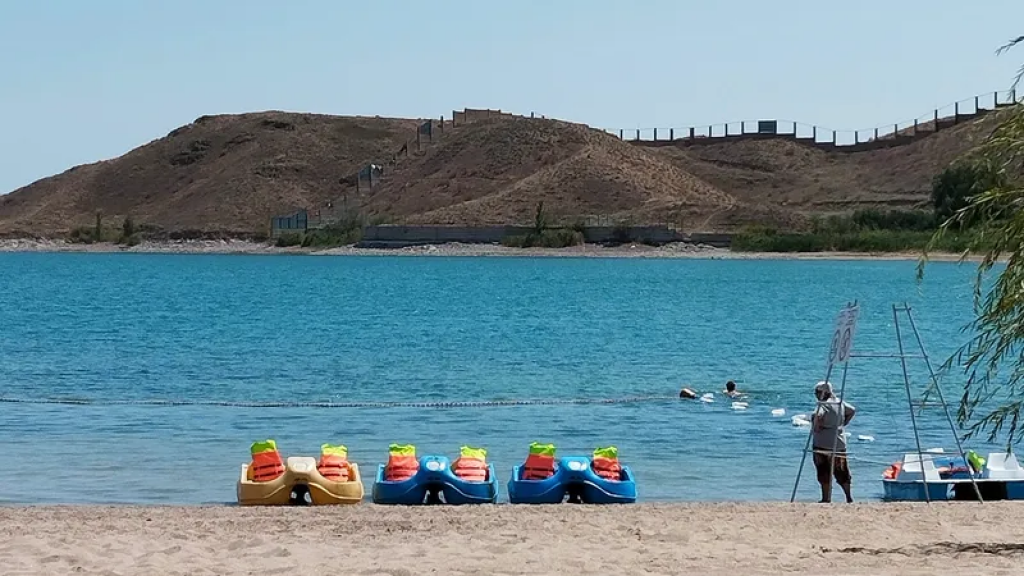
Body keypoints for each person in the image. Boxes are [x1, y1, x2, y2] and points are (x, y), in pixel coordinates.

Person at [811, 381, 856, 503]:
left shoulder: (823, 404)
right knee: (842, 470)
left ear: (823, 393)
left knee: (823, 470)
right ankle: (848, 497)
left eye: (817, 392)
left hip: (823, 443)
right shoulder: (839, 402)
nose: (815, 395)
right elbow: (852, 410)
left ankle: (826, 498)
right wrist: (842, 423)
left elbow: (817, 415)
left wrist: (817, 426)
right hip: (839, 442)